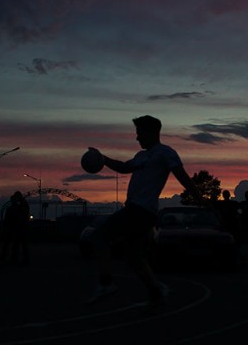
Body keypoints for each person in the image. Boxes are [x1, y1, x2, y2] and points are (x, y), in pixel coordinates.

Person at [87, 115, 204, 308]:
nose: (137, 138)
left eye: (139, 133)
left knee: (99, 236)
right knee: (133, 256)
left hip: (141, 210)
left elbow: (182, 176)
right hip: (138, 211)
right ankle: (156, 293)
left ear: (151, 132)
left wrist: (200, 198)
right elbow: (124, 167)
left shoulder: (165, 153)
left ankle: (106, 283)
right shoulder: (141, 157)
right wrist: (103, 159)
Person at [1, 191, 30, 265]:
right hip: (19, 228)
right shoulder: (20, 205)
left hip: (19, 228)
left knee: (18, 244)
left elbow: (20, 216)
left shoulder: (20, 205)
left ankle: (16, 259)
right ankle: (16, 259)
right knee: (18, 245)